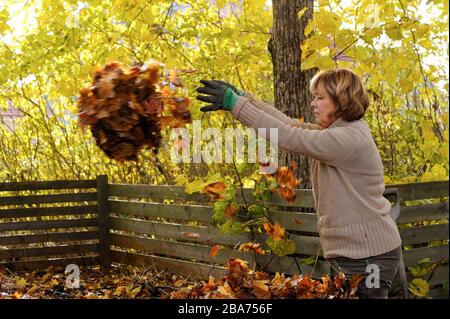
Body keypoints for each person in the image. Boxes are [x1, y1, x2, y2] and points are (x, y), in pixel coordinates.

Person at [196, 69, 402, 299]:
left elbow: (288, 136)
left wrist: (236, 104)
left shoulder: (347, 139)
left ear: (342, 101)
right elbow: (291, 126)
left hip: (369, 257)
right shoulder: (339, 132)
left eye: (320, 97)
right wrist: (245, 98)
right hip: (355, 253)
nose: (313, 104)